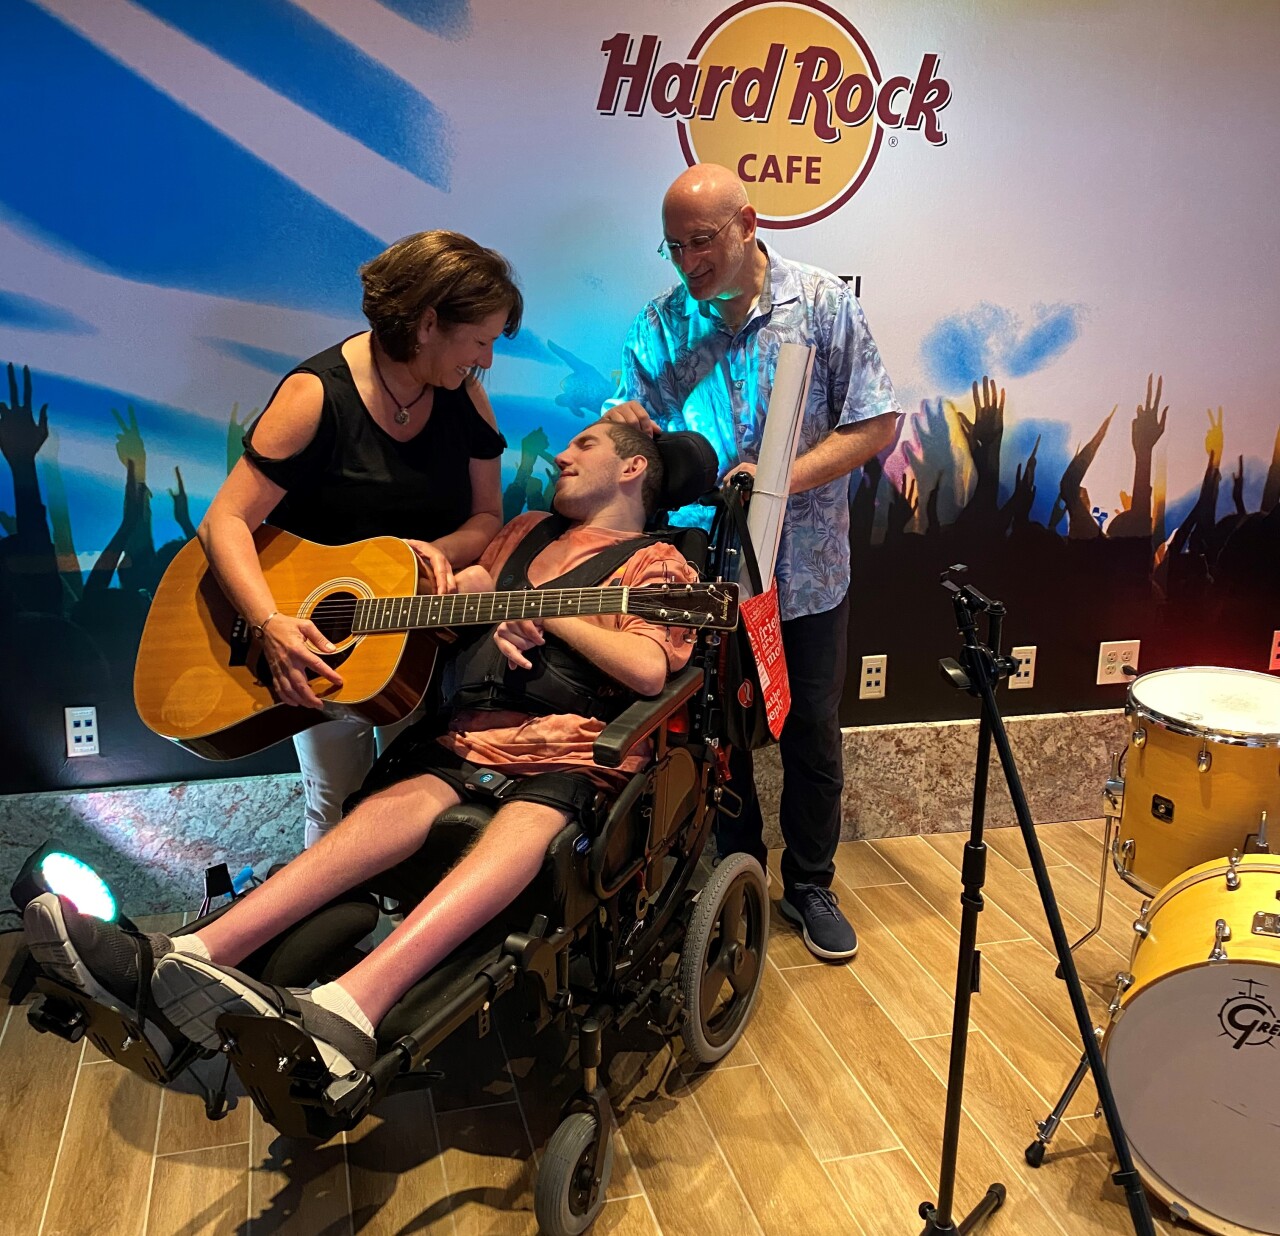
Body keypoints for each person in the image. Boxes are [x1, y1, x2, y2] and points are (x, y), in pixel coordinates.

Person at [24, 420, 697, 1080]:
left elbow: (647, 667)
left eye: (585, 445)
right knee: (382, 811)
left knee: (525, 823)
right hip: (472, 736)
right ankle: (188, 954)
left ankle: (355, 1002)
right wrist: (434, 585)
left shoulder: (658, 562)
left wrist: (549, 611)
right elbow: (471, 594)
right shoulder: (523, 531)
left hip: (570, 750)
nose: (560, 456)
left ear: (633, 468)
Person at [604, 163, 901, 962]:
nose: (689, 262)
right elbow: (628, 444)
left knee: (811, 730)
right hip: (706, 579)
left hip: (805, 574)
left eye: (703, 242)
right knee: (719, 735)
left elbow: (878, 423)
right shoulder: (662, 325)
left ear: (748, 224)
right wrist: (630, 431)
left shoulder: (824, 306)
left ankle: (810, 883)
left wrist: (779, 479)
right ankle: (735, 872)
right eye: (674, 248)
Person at [197, 231, 521, 848]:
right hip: (320, 644)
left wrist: (440, 552)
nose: (486, 361)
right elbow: (225, 522)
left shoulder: (466, 398)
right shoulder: (315, 395)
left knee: (418, 810)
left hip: (423, 645)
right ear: (428, 323)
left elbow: (487, 518)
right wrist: (270, 623)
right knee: (336, 815)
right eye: (480, 340)